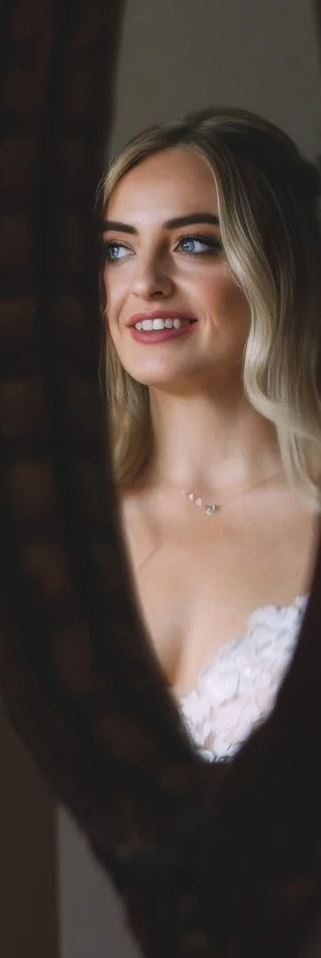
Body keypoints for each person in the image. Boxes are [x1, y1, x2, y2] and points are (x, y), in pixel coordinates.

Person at [102, 106, 321, 761]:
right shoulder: (58, 522)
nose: (145, 283)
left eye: (193, 243)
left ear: (275, 264)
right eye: (116, 249)